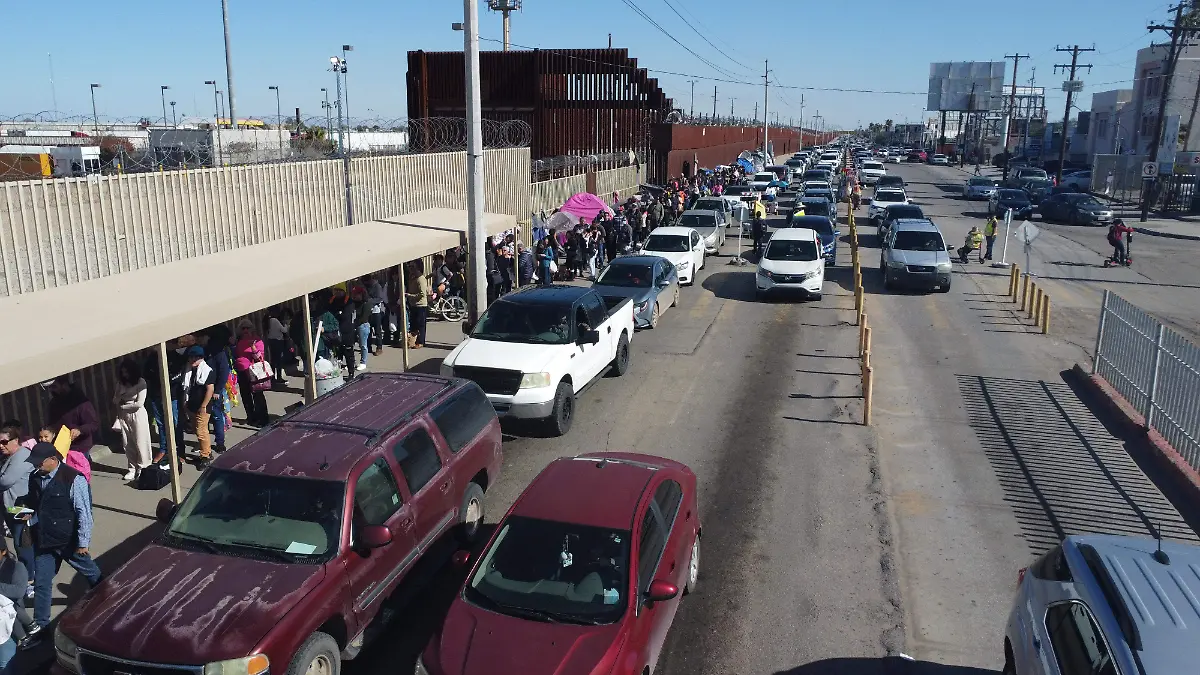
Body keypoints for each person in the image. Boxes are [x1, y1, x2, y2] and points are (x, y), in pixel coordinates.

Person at [18, 442, 102, 630]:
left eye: (39, 462)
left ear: (53, 460)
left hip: (68, 541)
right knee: (42, 583)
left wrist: (83, 542)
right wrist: (26, 510)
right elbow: (34, 501)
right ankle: (41, 626)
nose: (36, 466)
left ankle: (107, 600)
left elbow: (84, 512)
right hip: (45, 539)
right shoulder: (35, 477)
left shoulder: (73, 479)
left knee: (92, 574)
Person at [0, 428, 34, 603]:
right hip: (12, 507)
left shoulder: (21, 456)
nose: (1, 445)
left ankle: (29, 580)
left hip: (20, 509)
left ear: (16, 440)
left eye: (4, 442)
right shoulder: (11, 457)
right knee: (19, 542)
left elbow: (5, 480)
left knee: (23, 544)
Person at [112, 359, 151, 481]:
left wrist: (124, 406)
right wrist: (119, 398)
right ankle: (132, 468)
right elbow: (115, 400)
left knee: (141, 441)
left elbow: (139, 403)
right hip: (124, 415)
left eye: (127, 372)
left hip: (137, 414)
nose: (125, 375)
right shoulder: (120, 384)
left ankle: (143, 467)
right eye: (123, 372)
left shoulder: (141, 382)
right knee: (128, 443)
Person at [45, 379, 99, 468]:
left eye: (54, 387)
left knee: (80, 475)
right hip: (61, 447)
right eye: (50, 388)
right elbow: (51, 423)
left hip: (79, 447)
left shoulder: (81, 402)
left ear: (64, 385)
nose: (52, 390)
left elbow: (93, 424)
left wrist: (80, 430)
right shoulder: (54, 403)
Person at [181, 347, 215, 467]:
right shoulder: (189, 370)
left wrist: (204, 405)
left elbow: (210, 389)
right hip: (191, 405)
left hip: (203, 407)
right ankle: (207, 451)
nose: (191, 360)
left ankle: (205, 456)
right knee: (196, 430)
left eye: (194, 358)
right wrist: (186, 403)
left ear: (200, 358)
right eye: (190, 358)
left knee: (201, 431)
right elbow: (187, 387)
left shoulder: (207, 371)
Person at [234, 319, 270, 426]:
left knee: (258, 396)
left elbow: (260, 357)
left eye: (247, 328)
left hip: (254, 372)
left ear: (252, 329)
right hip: (241, 372)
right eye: (243, 328)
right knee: (246, 396)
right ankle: (251, 418)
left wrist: (253, 347)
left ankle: (263, 420)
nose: (245, 330)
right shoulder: (239, 341)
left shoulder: (257, 340)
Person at [405, 261, 430, 349]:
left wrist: (410, 296)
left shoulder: (421, 279)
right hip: (413, 304)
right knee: (413, 324)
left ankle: (421, 341)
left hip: (421, 305)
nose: (410, 268)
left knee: (421, 324)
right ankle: (412, 341)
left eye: (412, 267)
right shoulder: (412, 277)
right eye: (410, 267)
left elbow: (422, 294)